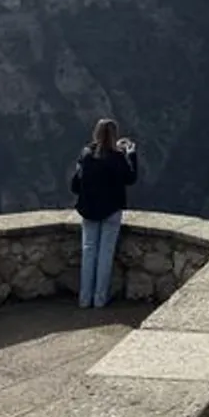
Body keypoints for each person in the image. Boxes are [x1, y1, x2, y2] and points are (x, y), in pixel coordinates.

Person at [71, 118, 139, 309]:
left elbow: (75, 185)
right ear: (114, 135)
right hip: (111, 212)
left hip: (89, 210)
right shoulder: (117, 158)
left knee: (88, 252)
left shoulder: (86, 155)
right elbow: (131, 178)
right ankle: (100, 299)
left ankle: (84, 299)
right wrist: (131, 154)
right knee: (105, 255)